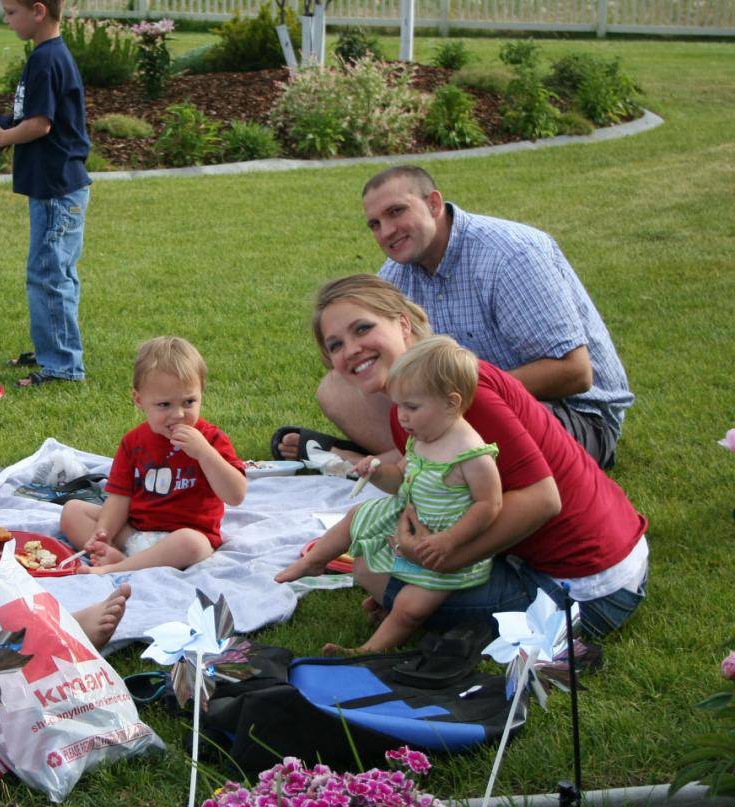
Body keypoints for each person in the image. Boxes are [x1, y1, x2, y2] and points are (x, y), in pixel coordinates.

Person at [285, 275, 647, 641]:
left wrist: (444, 562)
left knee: (369, 567)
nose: (352, 350)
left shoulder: (455, 396)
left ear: (403, 322)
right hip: (588, 555)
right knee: (380, 550)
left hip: (589, 588)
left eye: (363, 328)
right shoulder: (414, 402)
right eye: (336, 345)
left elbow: (543, 499)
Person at [276, 166, 632, 470]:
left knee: (454, 419)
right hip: (462, 409)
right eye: (374, 224)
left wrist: (457, 397)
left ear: (433, 204)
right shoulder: (396, 276)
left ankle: (376, 462)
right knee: (338, 388)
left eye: (397, 212)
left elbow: (574, 372)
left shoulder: (511, 254)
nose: (386, 232)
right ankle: (395, 460)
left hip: (573, 417)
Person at [276, 336, 503, 654]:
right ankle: (314, 561)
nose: (402, 417)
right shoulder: (424, 435)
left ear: (451, 403)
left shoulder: (471, 455)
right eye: (399, 406)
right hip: (409, 515)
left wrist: (449, 540)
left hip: (443, 544)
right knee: (356, 516)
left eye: (411, 407)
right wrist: (379, 471)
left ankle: (366, 651)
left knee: (411, 606)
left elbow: (488, 505)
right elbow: (400, 477)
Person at [0, 0, 91, 388]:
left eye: (11, 12)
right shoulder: (47, 56)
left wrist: (3, 137)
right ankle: (51, 348)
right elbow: (38, 118)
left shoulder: (46, 59)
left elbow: (40, 125)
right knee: (55, 272)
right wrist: (2, 128)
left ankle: (61, 365)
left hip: (56, 187)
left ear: (38, 11)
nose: (6, 20)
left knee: (48, 274)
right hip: (58, 186)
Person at [61, 337, 247, 574]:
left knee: (191, 543)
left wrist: (205, 454)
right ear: (139, 400)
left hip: (185, 538)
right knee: (73, 511)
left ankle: (116, 568)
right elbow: (119, 498)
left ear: (201, 393)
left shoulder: (210, 440)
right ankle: (121, 555)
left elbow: (236, 495)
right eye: (164, 405)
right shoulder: (133, 443)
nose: (178, 414)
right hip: (136, 534)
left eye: (189, 402)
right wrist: (104, 533)